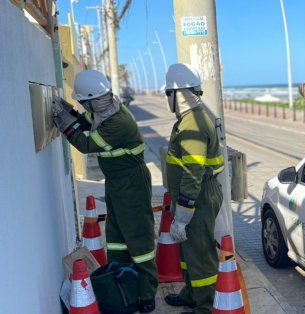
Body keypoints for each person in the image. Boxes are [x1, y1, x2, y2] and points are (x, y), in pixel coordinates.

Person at [50, 69, 158, 313]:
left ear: (92, 99)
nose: (83, 106)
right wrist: (70, 113)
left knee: (138, 239)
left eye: (83, 102)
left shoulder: (117, 122)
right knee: (117, 236)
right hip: (117, 184)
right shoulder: (106, 110)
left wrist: (66, 126)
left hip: (132, 184)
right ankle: (122, 283)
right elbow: (87, 122)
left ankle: (147, 293)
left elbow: (86, 143)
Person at [162, 63, 224, 314]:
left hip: (197, 198)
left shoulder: (193, 124)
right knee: (188, 251)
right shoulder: (188, 119)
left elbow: (193, 172)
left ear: (177, 95)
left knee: (200, 253)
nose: (167, 99)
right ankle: (191, 294)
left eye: (168, 93)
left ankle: (206, 305)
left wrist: (183, 215)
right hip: (193, 197)